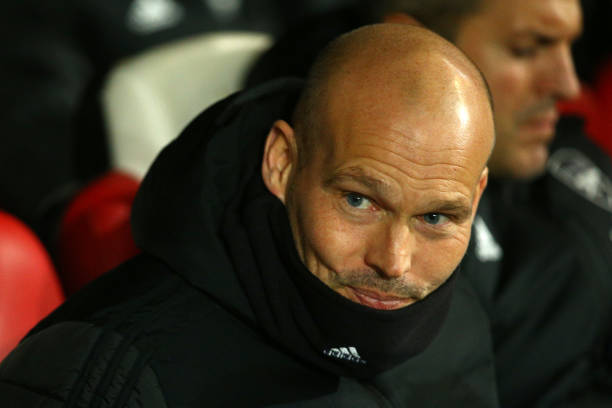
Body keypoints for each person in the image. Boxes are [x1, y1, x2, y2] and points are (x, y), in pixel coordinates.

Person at [0, 24, 497, 406]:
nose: (394, 261)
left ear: (475, 199)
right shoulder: (106, 371)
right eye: (358, 201)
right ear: (281, 163)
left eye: (435, 218)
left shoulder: (461, 320)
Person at [246, 0, 612, 406]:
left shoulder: (563, 161)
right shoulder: (296, 219)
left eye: (437, 215)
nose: (566, 84)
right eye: (525, 49)